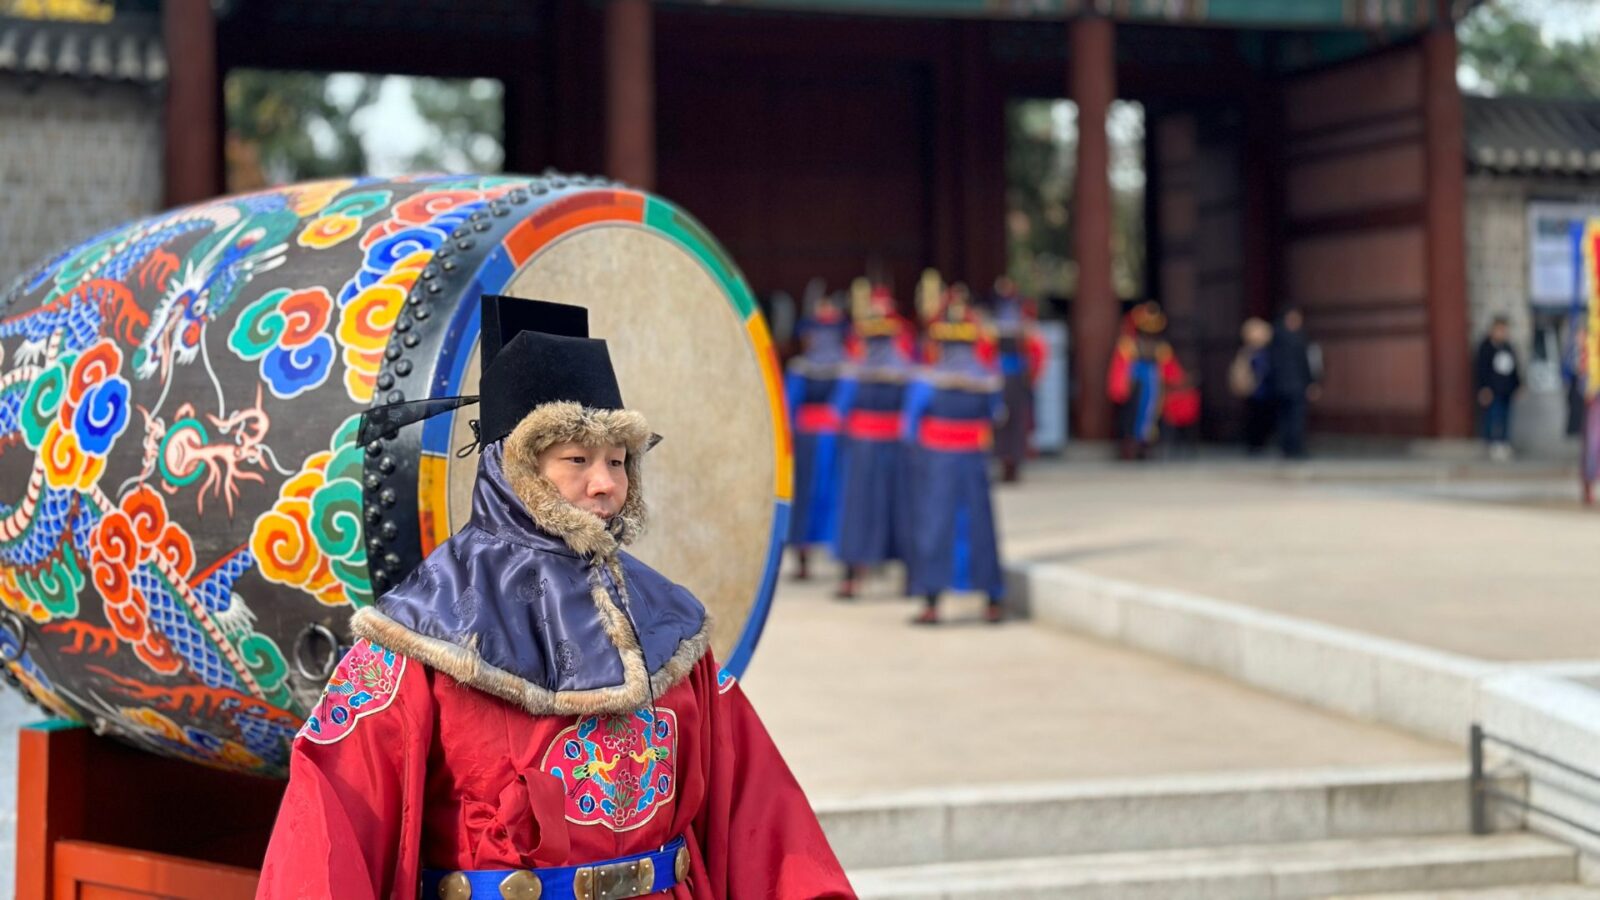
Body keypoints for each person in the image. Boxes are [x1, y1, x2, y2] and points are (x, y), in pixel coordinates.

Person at [256, 295, 854, 900]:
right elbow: (328, 830)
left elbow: (764, 821)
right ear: (512, 467)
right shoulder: (419, 633)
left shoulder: (668, 626)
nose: (605, 483)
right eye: (577, 459)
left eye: (618, 461)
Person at [904, 286, 1005, 625]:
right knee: (980, 526)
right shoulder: (988, 379)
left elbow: (910, 424)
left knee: (936, 527)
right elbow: (996, 415)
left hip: (938, 461)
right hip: (973, 459)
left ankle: (932, 602)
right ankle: (992, 600)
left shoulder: (928, 380)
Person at [830, 281, 915, 600]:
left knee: (861, 512)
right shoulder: (905, 368)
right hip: (891, 446)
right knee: (895, 510)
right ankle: (906, 576)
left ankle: (856, 577)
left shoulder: (855, 369)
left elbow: (839, 409)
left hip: (867, 448)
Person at [784, 281, 850, 580]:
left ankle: (845, 559)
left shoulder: (847, 368)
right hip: (811, 441)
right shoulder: (801, 368)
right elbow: (789, 407)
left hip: (834, 441)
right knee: (809, 498)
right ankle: (805, 557)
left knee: (838, 497)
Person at [1107, 302, 1183, 460]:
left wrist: (1177, 381)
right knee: (1130, 417)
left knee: (1152, 417)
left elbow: (1171, 370)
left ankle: (1146, 447)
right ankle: (1129, 448)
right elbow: (1119, 369)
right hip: (1133, 388)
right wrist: (1121, 387)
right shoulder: (1128, 345)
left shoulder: (1161, 347)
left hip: (1154, 388)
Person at [989, 277, 1046, 483]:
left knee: (1018, 422)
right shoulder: (992, 320)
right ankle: (1004, 463)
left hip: (1018, 379)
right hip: (1000, 378)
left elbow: (1038, 354)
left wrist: (1032, 375)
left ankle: (1015, 464)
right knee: (1000, 421)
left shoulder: (1026, 324)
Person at [1269, 307, 1319, 460]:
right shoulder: (1300, 339)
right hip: (1295, 385)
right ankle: (1295, 448)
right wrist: (1311, 382)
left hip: (1282, 385)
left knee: (1285, 418)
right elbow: (1306, 363)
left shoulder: (1275, 338)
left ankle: (1287, 448)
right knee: (1295, 418)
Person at [1475, 315, 1522, 462]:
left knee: (1506, 416)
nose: (1502, 333)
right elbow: (1481, 370)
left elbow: (1514, 369)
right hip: (1492, 390)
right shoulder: (1486, 348)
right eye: (1499, 330)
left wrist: (1518, 385)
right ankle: (1492, 443)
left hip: (1506, 389)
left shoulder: (1508, 347)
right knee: (1493, 416)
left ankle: (1504, 442)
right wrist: (1483, 388)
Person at [1229, 317, 1275, 454]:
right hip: (1253, 391)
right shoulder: (1248, 352)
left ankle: (1261, 443)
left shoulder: (1267, 352)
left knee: (1264, 418)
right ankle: (1254, 444)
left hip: (1265, 391)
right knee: (1254, 418)